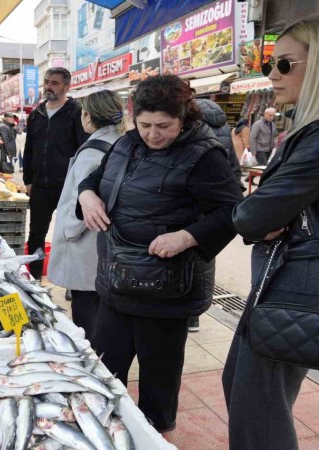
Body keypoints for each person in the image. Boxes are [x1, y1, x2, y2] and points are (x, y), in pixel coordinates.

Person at [223, 14, 319, 450]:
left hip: (301, 280)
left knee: (259, 412)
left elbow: (251, 217)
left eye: (285, 64)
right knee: (245, 392)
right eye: (271, 63)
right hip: (290, 275)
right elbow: (262, 215)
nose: (273, 74)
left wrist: (269, 216)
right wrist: (267, 215)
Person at [78, 76, 243, 433]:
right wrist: (86, 195)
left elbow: (232, 211)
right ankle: (106, 431)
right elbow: (96, 178)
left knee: (159, 377)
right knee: (105, 368)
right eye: (146, 124)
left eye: (164, 126)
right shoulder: (125, 143)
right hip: (116, 280)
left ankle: (155, 433)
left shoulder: (204, 155)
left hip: (166, 288)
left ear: (183, 118)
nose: (153, 135)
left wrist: (187, 236)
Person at [48, 90, 124, 340]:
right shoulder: (119, 143)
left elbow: (77, 204)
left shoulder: (92, 152)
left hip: (87, 244)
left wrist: (69, 232)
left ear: (88, 116)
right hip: (108, 244)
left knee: (87, 310)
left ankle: (92, 357)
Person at [23, 67, 89, 279]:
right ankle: (33, 278)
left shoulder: (76, 112)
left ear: (67, 86)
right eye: (47, 82)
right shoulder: (36, 114)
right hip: (41, 185)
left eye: (55, 83)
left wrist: (80, 183)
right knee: (36, 234)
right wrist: (28, 180)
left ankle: (71, 281)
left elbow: (83, 149)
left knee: (70, 233)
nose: (49, 87)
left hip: (67, 185)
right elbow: (29, 148)